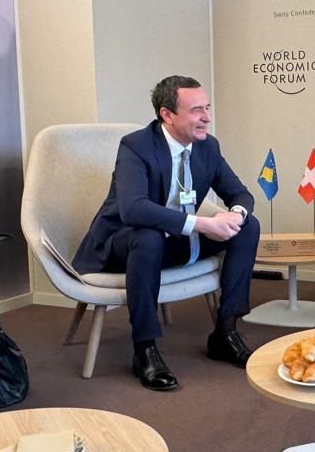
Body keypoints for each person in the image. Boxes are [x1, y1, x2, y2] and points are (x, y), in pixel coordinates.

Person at [73, 76, 260, 391]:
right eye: (196, 110)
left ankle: (225, 332)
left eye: (207, 108)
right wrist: (202, 224)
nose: (207, 117)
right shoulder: (136, 146)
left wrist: (235, 215)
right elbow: (134, 210)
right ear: (167, 115)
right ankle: (144, 349)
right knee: (148, 236)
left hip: (173, 241)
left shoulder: (208, 146)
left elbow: (241, 194)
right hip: (123, 244)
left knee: (248, 227)